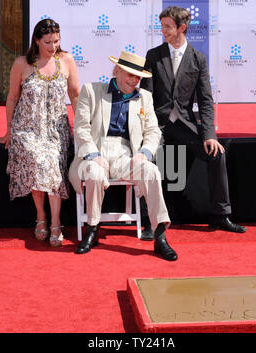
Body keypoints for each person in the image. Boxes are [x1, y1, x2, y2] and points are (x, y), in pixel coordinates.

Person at [140, 6, 247, 234]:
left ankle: (220, 215)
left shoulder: (198, 59)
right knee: (147, 160)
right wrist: (146, 132)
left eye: (168, 27)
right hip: (157, 125)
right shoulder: (153, 56)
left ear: (182, 28)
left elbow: (206, 100)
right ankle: (152, 220)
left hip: (185, 124)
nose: (163, 31)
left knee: (217, 153)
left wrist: (209, 136)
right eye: (162, 26)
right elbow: (145, 98)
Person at [69, 51, 177, 261]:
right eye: (130, 74)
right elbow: (81, 128)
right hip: (94, 151)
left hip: (126, 154)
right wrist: (93, 154)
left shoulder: (144, 97)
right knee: (94, 173)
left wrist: (145, 153)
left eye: (138, 77)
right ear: (116, 71)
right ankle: (92, 228)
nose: (134, 80)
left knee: (151, 171)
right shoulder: (91, 91)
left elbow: (153, 131)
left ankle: (160, 235)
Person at [0, 19, 80, 246]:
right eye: (48, 42)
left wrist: (82, 128)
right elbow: (12, 98)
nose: (53, 46)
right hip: (27, 129)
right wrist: (10, 129)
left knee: (50, 160)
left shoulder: (67, 60)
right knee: (38, 159)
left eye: (57, 41)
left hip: (55, 129)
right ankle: (42, 216)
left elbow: (75, 95)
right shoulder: (23, 63)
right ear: (37, 40)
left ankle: (55, 221)